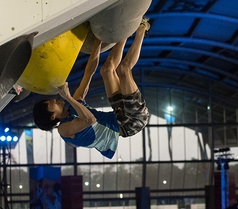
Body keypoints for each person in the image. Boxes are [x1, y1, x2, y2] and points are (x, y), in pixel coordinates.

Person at [32, 18, 150, 159]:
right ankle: (142, 27)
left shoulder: (75, 105)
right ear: (53, 116)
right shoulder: (63, 129)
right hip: (131, 122)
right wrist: (67, 96)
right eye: (52, 104)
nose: (56, 100)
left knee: (106, 70)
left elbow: (89, 72)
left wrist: (97, 41)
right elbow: (90, 120)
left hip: (118, 115)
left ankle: (125, 32)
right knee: (124, 70)